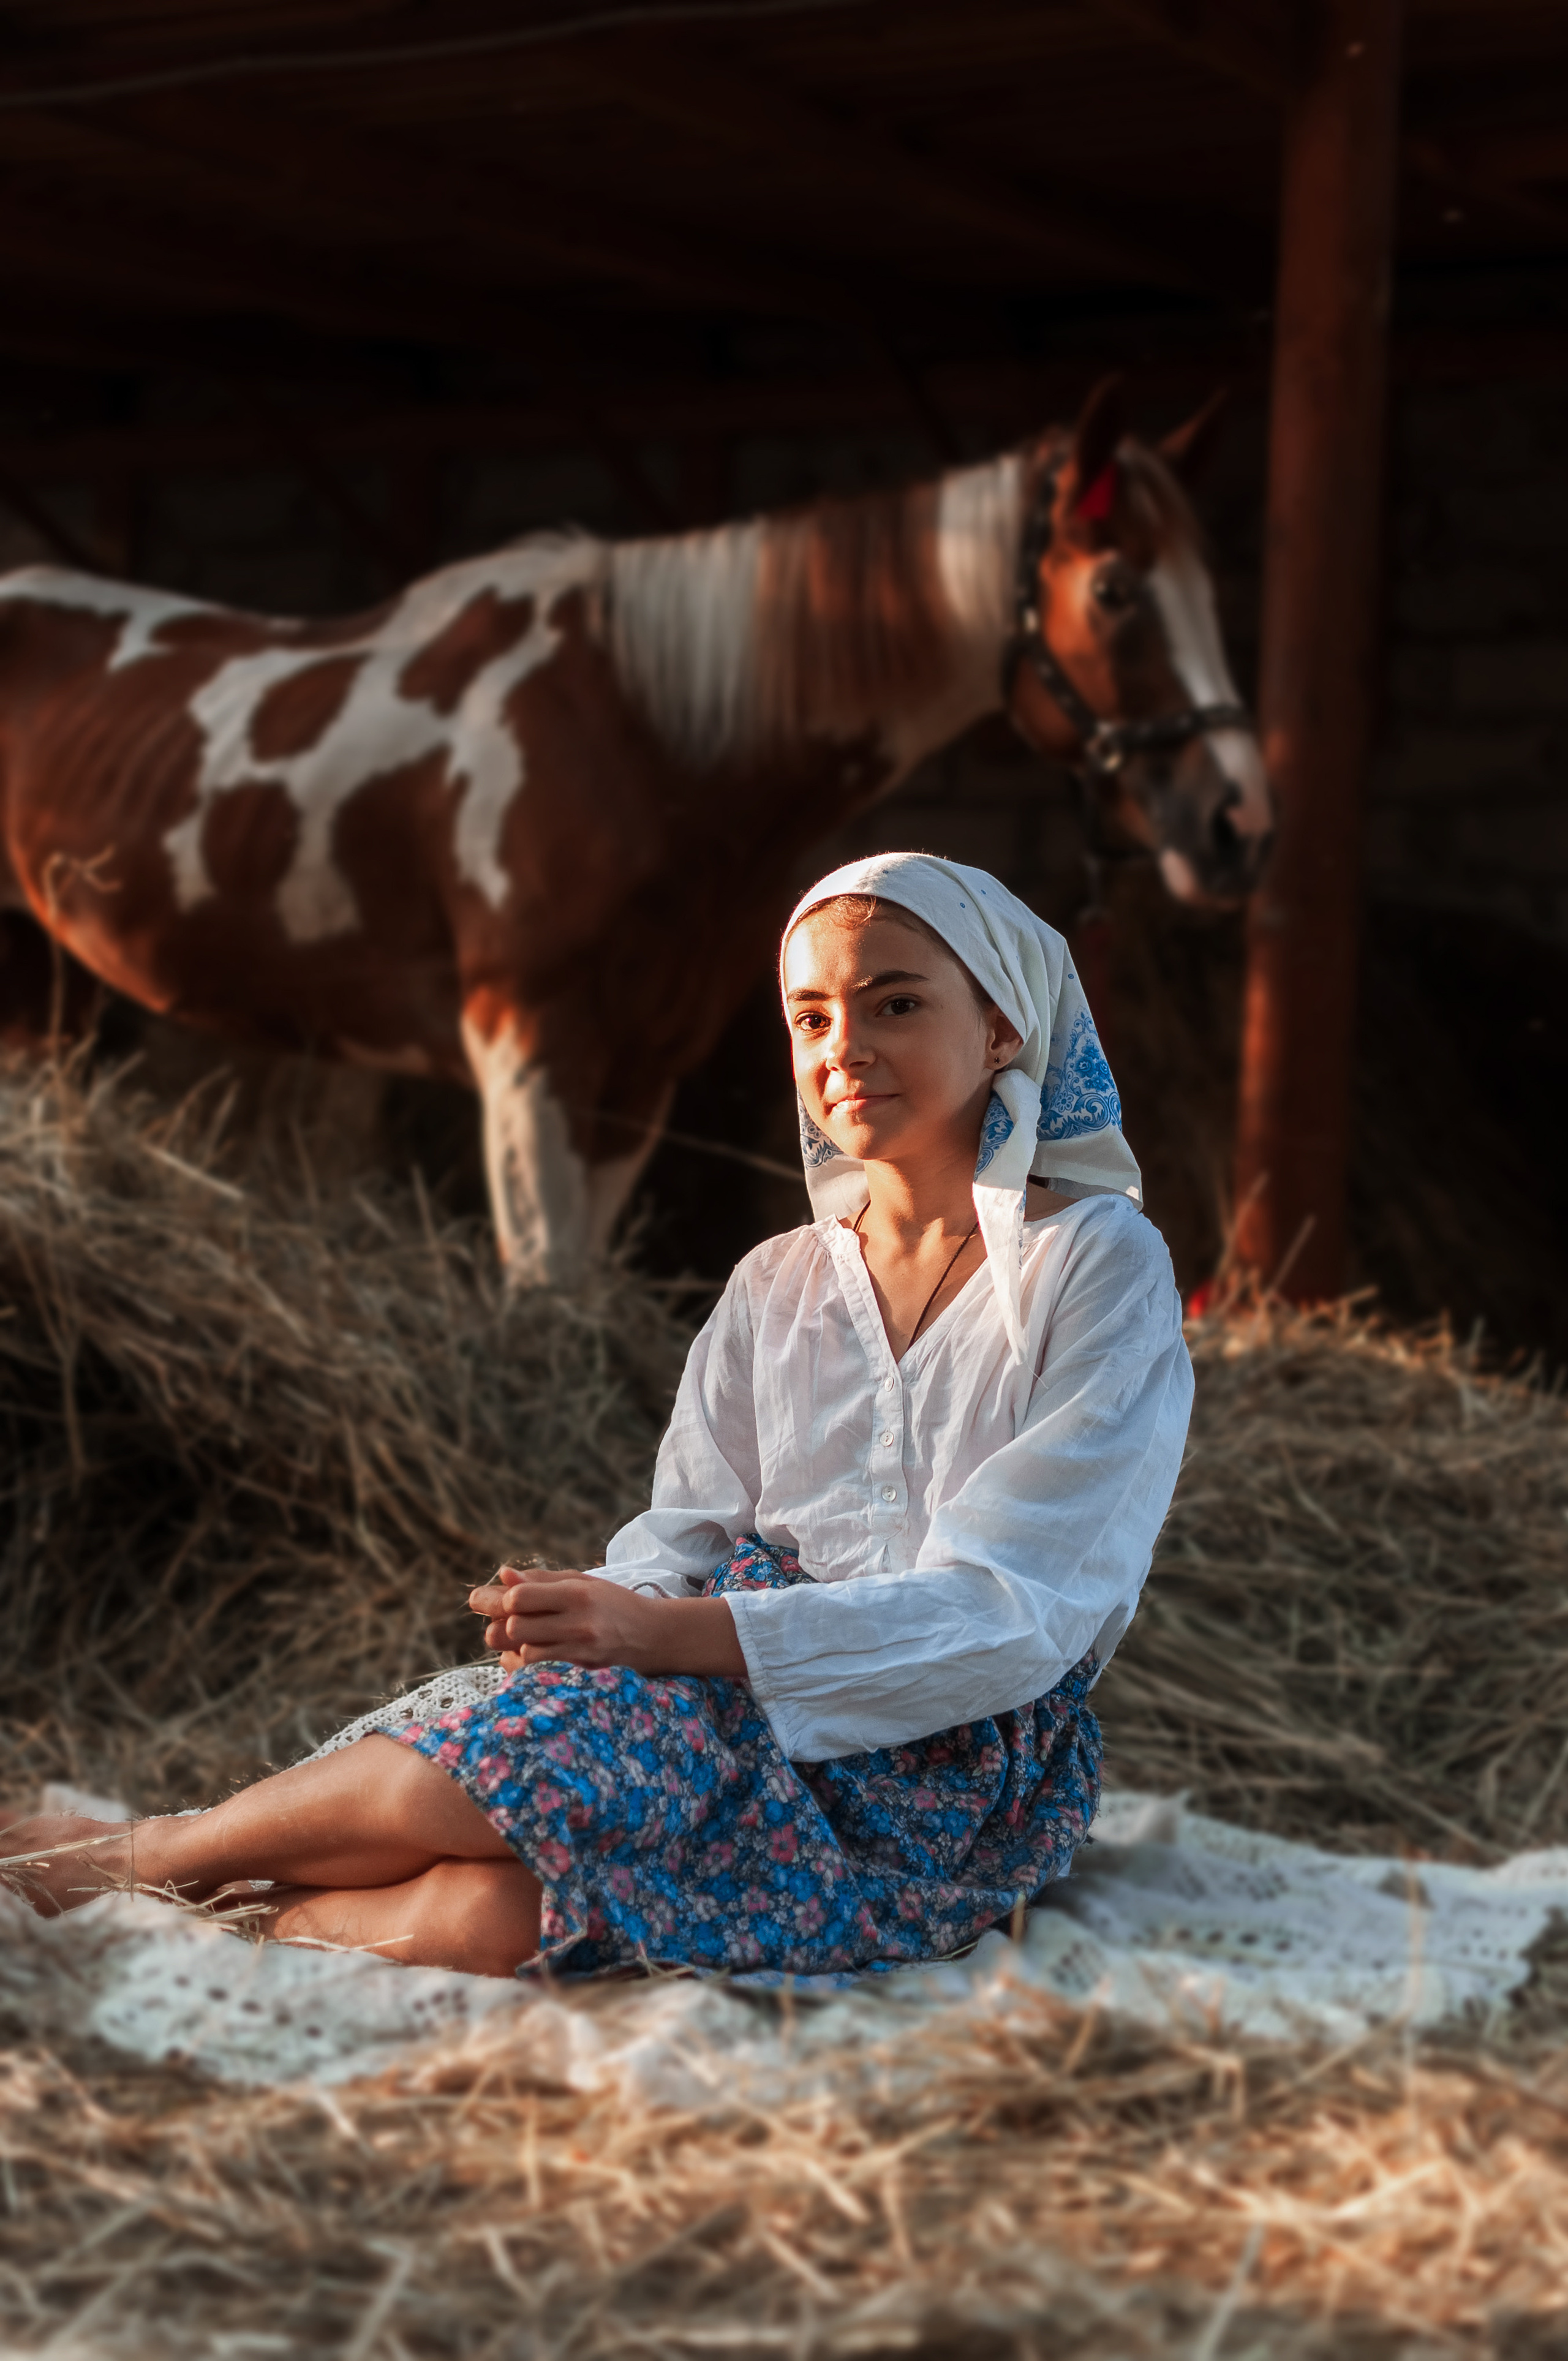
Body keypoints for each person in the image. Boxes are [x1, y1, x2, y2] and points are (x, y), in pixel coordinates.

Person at [4, 854, 1192, 1980]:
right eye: (812, 1016)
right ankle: (134, 1858)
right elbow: (682, 1530)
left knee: (496, 1914)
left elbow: (1014, 1611)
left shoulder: (1091, 1263)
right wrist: (592, 1616)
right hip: (717, 1680)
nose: (844, 1049)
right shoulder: (775, 1279)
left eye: (892, 1005)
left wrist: (660, 1637)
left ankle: (226, 1912)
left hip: (947, 1753)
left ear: (998, 1028)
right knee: (474, 1788)